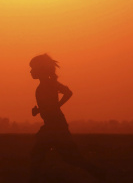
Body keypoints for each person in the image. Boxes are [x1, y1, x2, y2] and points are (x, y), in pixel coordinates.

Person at [29, 54, 104, 182]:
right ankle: (99, 174)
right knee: (69, 158)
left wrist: (57, 105)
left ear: (40, 69)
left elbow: (68, 93)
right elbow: (49, 105)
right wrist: (38, 111)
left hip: (56, 127)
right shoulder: (42, 86)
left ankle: (99, 174)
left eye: (33, 68)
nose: (30, 71)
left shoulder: (49, 84)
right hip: (53, 126)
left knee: (42, 155)